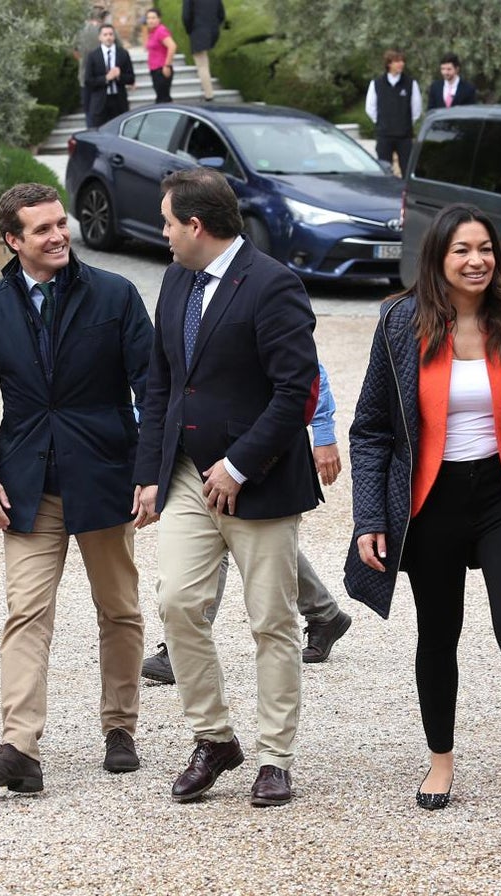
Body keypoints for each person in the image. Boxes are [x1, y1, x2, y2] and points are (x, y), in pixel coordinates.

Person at [346, 203, 501, 829]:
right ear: (438, 259)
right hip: (432, 502)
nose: (476, 261)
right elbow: (369, 431)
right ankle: (441, 759)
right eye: (461, 251)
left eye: (485, 249)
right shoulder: (400, 323)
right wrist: (371, 515)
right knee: (438, 633)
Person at [0, 183, 153, 793]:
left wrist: (149, 472)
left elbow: (152, 388)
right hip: (26, 484)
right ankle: (19, 748)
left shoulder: (115, 294)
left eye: (61, 223)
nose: (59, 235)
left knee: (118, 609)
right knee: (26, 613)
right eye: (42, 229)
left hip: (104, 477)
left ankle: (120, 727)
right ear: (13, 241)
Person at [133, 167, 322, 808]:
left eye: (166, 222)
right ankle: (214, 739)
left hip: (258, 482)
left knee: (272, 621)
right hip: (186, 475)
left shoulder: (275, 286)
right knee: (178, 605)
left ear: (195, 225)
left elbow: (296, 392)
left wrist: (239, 465)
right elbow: (162, 383)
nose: (162, 234)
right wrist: (149, 476)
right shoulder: (175, 279)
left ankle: (275, 758)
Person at [141, 362, 351, 685]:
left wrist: (323, 433)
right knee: (246, 538)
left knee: (238, 535)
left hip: (250, 445)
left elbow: (307, 372)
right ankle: (324, 612)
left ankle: (178, 649)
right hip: (196, 445)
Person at [365, 49, 422, 176]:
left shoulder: (411, 83)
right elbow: (370, 108)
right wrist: (382, 122)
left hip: (404, 136)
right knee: (385, 170)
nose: (401, 64)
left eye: (402, 61)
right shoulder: (376, 83)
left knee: (408, 171)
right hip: (384, 135)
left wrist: (404, 123)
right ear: (389, 64)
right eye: (397, 61)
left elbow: (416, 109)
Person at [85, 24, 135, 127]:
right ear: (100, 37)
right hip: (100, 102)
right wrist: (106, 78)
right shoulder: (93, 56)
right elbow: (88, 81)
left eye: (111, 34)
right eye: (105, 35)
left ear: (114, 36)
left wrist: (119, 75)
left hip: (119, 100)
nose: (108, 37)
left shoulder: (123, 53)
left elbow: (131, 78)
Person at [182, 0, 225, 102]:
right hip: (213, 30)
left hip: (198, 30)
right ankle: (207, 90)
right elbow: (221, 14)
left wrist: (189, 30)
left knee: (202, 65)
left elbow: (186, 16)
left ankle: (209, 96)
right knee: (204, 63)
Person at [74, 7, 108, 128]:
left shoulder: (80, 31)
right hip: (104, 77)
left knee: (89, 111)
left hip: (85, 77)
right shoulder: (106, 30)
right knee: (105, 112)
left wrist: (84, 62)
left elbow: (75, 52)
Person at [144, 8, 177, 104]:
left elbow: (172, 46)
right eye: (148, 18)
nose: (150, 20)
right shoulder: (152, 32)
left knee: (163, 99)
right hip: (155, 69)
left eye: (153, 18)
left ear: (159, 19)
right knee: (161, 98)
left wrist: (167, 65)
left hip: (162, 69)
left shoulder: (160, 31)